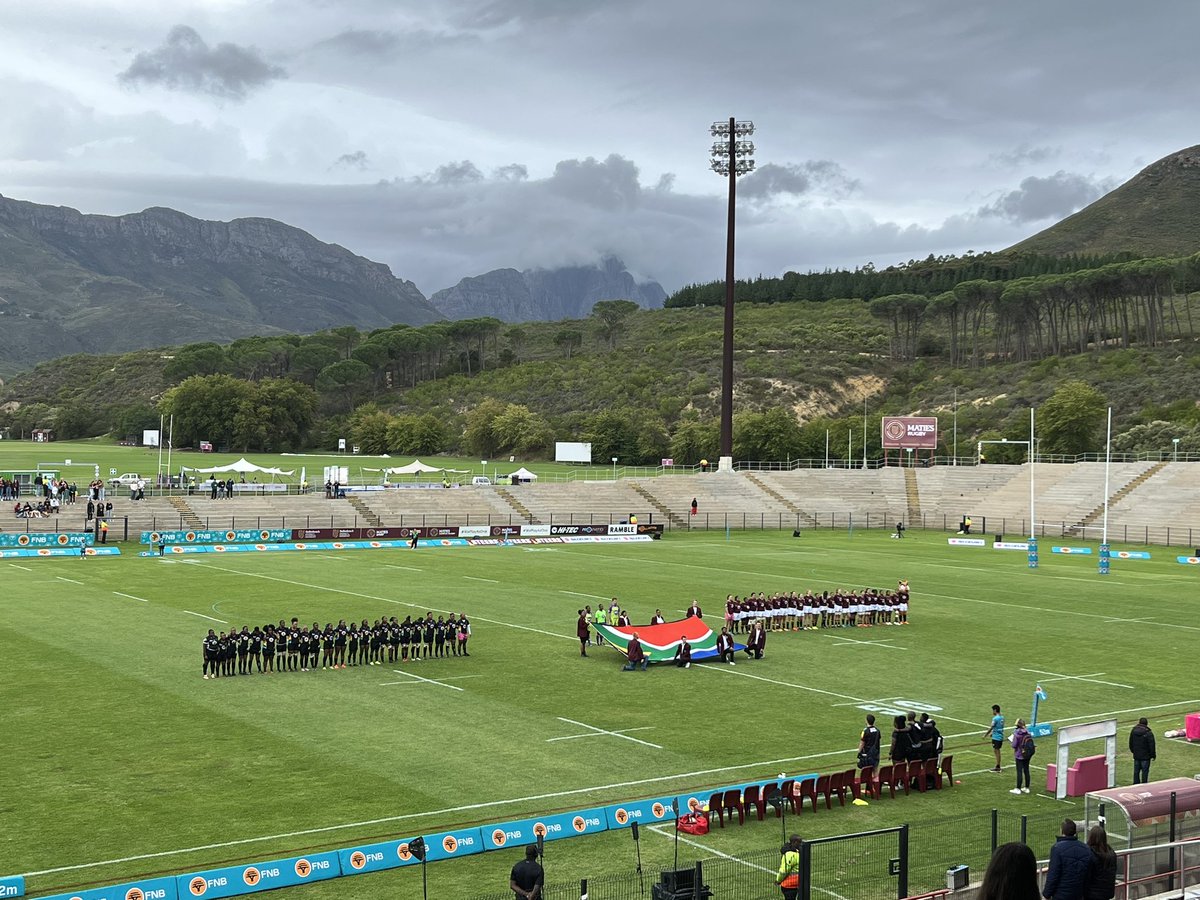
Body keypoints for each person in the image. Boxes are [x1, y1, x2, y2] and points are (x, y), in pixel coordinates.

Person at [1042, 819, 1094, 900]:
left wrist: (1046, 894)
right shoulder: (1086, 848)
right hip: (1078, 894)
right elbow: (1088, 875)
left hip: (1061, 895)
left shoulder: (1057, 848)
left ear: (1062, 831)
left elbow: (1053, 874)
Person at [1084, 826, 1116, 900]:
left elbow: (1086, 876)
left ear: (1091, 837)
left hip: (1092, 895)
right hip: (1107, 893)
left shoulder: (1089, 854)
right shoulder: (1111, 853)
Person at [1129, 717, 1156, 784]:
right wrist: (1153, 755)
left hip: (1137, 755)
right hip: (1145, 756)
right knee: (1145, 772)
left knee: (1136, 771)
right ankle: (1144, 784)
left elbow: (1130, 742)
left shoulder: (1133, 731)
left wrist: (1133, 751)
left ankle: (1135, 784)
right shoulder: (1148, 733)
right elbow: (1152, 745)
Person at [1010, 718, 1033, 794]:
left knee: (1019, 771)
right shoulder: (1028, 732)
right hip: (1027, 754)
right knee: (1026, 770)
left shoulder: (1017, 734)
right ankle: (1027, 787)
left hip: (1019, 754)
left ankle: (1018, 788)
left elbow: (1014, 745)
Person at [776, 834, 802, 900]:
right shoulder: (791, 854)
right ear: (794, 842)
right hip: (791, 884)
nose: (800, 844)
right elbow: (784, 870)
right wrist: (778, 880)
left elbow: (783, 871)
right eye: (799, 842)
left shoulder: (796, 852)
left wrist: (778, 880)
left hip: (789, 884)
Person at [985, 704, 1005, 773]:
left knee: (997, 751)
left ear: (995, 710)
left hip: (996, 737)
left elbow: (992, 727)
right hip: (1000, 736)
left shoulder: (995, 718)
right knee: (996, 750)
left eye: (993, 710)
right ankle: (998, 765)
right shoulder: (1002, 717)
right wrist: (992, 733)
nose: (992, 712)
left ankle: (998, 767)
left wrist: (986, 734)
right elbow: (998, 727)